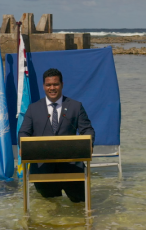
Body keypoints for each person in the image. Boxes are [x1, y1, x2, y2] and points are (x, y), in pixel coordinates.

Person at [18, 68, 95, 203]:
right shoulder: (33, 109)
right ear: (43, 86)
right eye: (48, 85)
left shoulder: (75, 107)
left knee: (81, 207)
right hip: (43, 169)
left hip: (72, 168)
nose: (52, 88)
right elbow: (24, 132)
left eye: (55, 84)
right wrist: (22, 146)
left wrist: (89, 144)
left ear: (62, 85)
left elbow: (87, 130)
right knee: (50, 210)